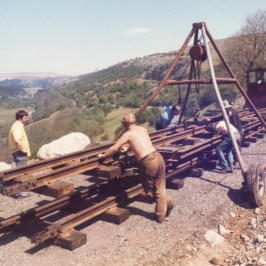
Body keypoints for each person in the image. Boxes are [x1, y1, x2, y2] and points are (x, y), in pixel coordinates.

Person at [98, 113, 174, 223]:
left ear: (123, 124)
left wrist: (103, 155)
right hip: (158, 157)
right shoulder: (142, 129)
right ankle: (166, 204)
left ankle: (161, 215)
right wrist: (129, 146)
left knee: (150, 189)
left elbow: (114, 148)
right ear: (134, 121)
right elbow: (141, 141)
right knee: (160, 186)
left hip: (148, 162)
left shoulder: (127, 134)